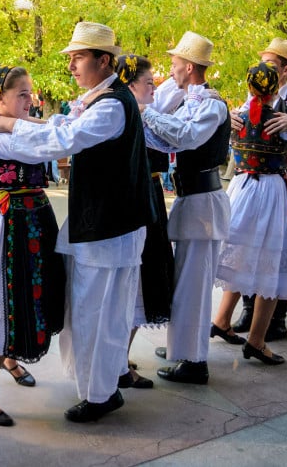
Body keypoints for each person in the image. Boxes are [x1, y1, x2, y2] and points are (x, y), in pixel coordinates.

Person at [0, 21, 155, 423]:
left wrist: (12, 124)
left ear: (103, 60)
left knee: (98, 313)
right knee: (100, 311)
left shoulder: (111, 104)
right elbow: (65, 128)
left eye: (78, 58)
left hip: (108, 227)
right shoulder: (102, 101)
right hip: (106, 225)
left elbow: (65, 141)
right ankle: (103, 386)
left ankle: (99, 394)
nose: (72, 66)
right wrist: (25, 124)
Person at [0, 64, 66, 427]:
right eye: (22, 94)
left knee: (31, 297)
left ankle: (9, 358)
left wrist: (17, 121)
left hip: (34, 219)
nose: (30, 100)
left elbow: (55, 131)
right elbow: (50, 139)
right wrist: (13, 124)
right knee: (8, 299)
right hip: (10, 224)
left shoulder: (10, 127)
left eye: (30, 93)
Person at [140, 33, 233, 379]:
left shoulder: (211, 104)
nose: (172, 68)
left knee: (194, 284)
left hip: (203, 202)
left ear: (189, 67)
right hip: (191, 199)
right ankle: (185, 348)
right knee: (186, 281)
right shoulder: (188, 98)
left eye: (176, 62)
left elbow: (183, 137)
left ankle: (195, 361)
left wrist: (146, 113)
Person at [212, 60, 287, 366]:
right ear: (275, 90)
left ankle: (221, 320)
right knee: (273, 265)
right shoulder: (283, 121)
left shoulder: (235, 117)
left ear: (248, 86)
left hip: (242, 188)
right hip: (271, 191)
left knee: (241, 254)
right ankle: (256, 341)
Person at [115, 55, 174, 388]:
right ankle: (119, 362)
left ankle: (120, 356)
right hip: (139, 197)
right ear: (131, 84)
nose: (154, 87)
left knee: (144, 276)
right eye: (149, 82)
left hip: (148, 193)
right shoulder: (133, 115)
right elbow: (171, 141)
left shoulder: (142, 113)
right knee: (139, 277)